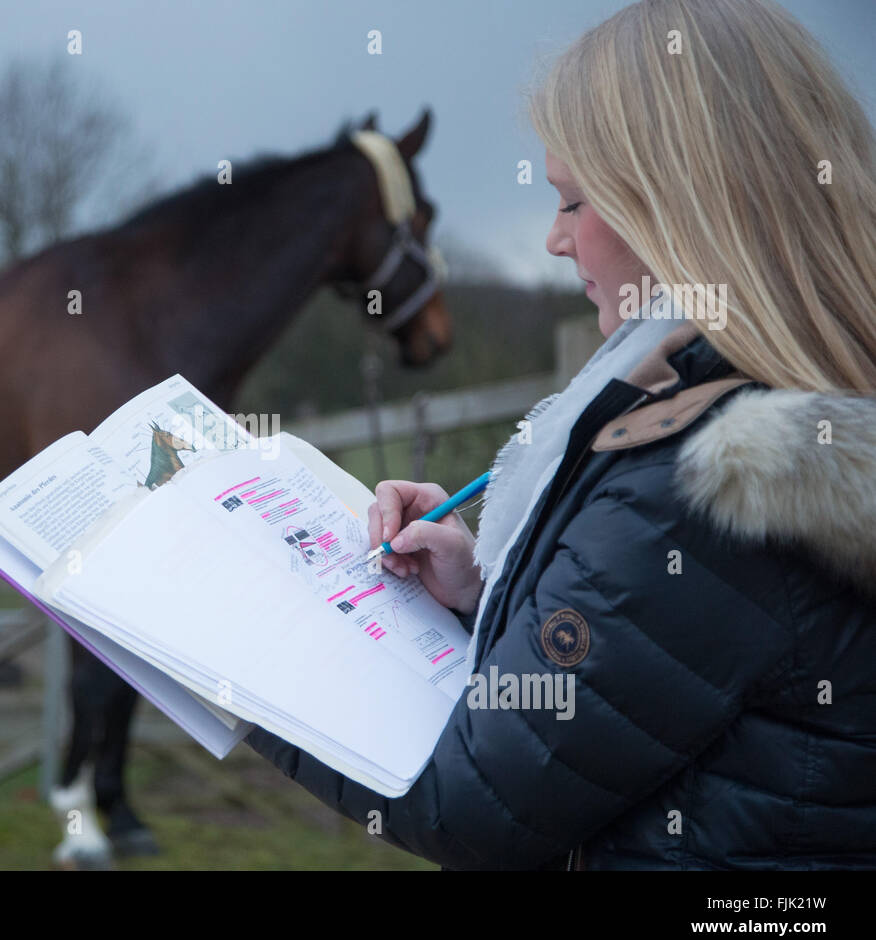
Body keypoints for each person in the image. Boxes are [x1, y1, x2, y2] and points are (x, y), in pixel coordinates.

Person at [245, 0, 876, 869]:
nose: (552, 238)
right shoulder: (764, 411)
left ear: (683, 202)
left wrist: (228, 671)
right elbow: (643, 685)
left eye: (575, 200)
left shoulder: (720, 474)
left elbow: (470, 802)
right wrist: (484, 592)